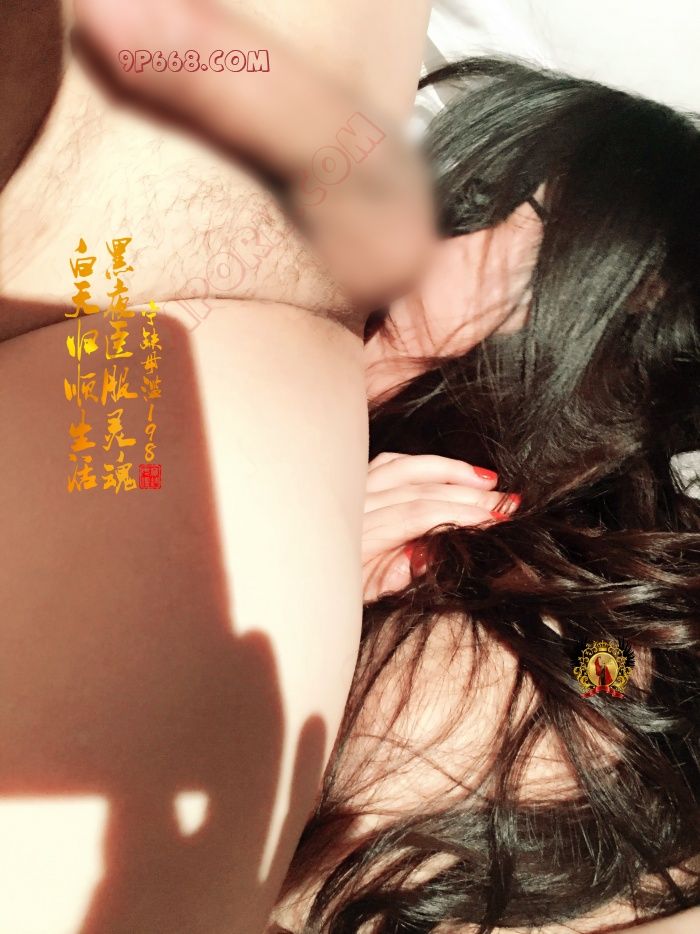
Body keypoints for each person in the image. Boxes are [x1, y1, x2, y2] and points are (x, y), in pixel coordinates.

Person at [1, 2, 698, 934]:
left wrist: (325, 586)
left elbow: (612, 687)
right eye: (468, 192)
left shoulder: (538, 556)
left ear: (597, 320)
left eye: (515, 230)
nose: (442, 230)